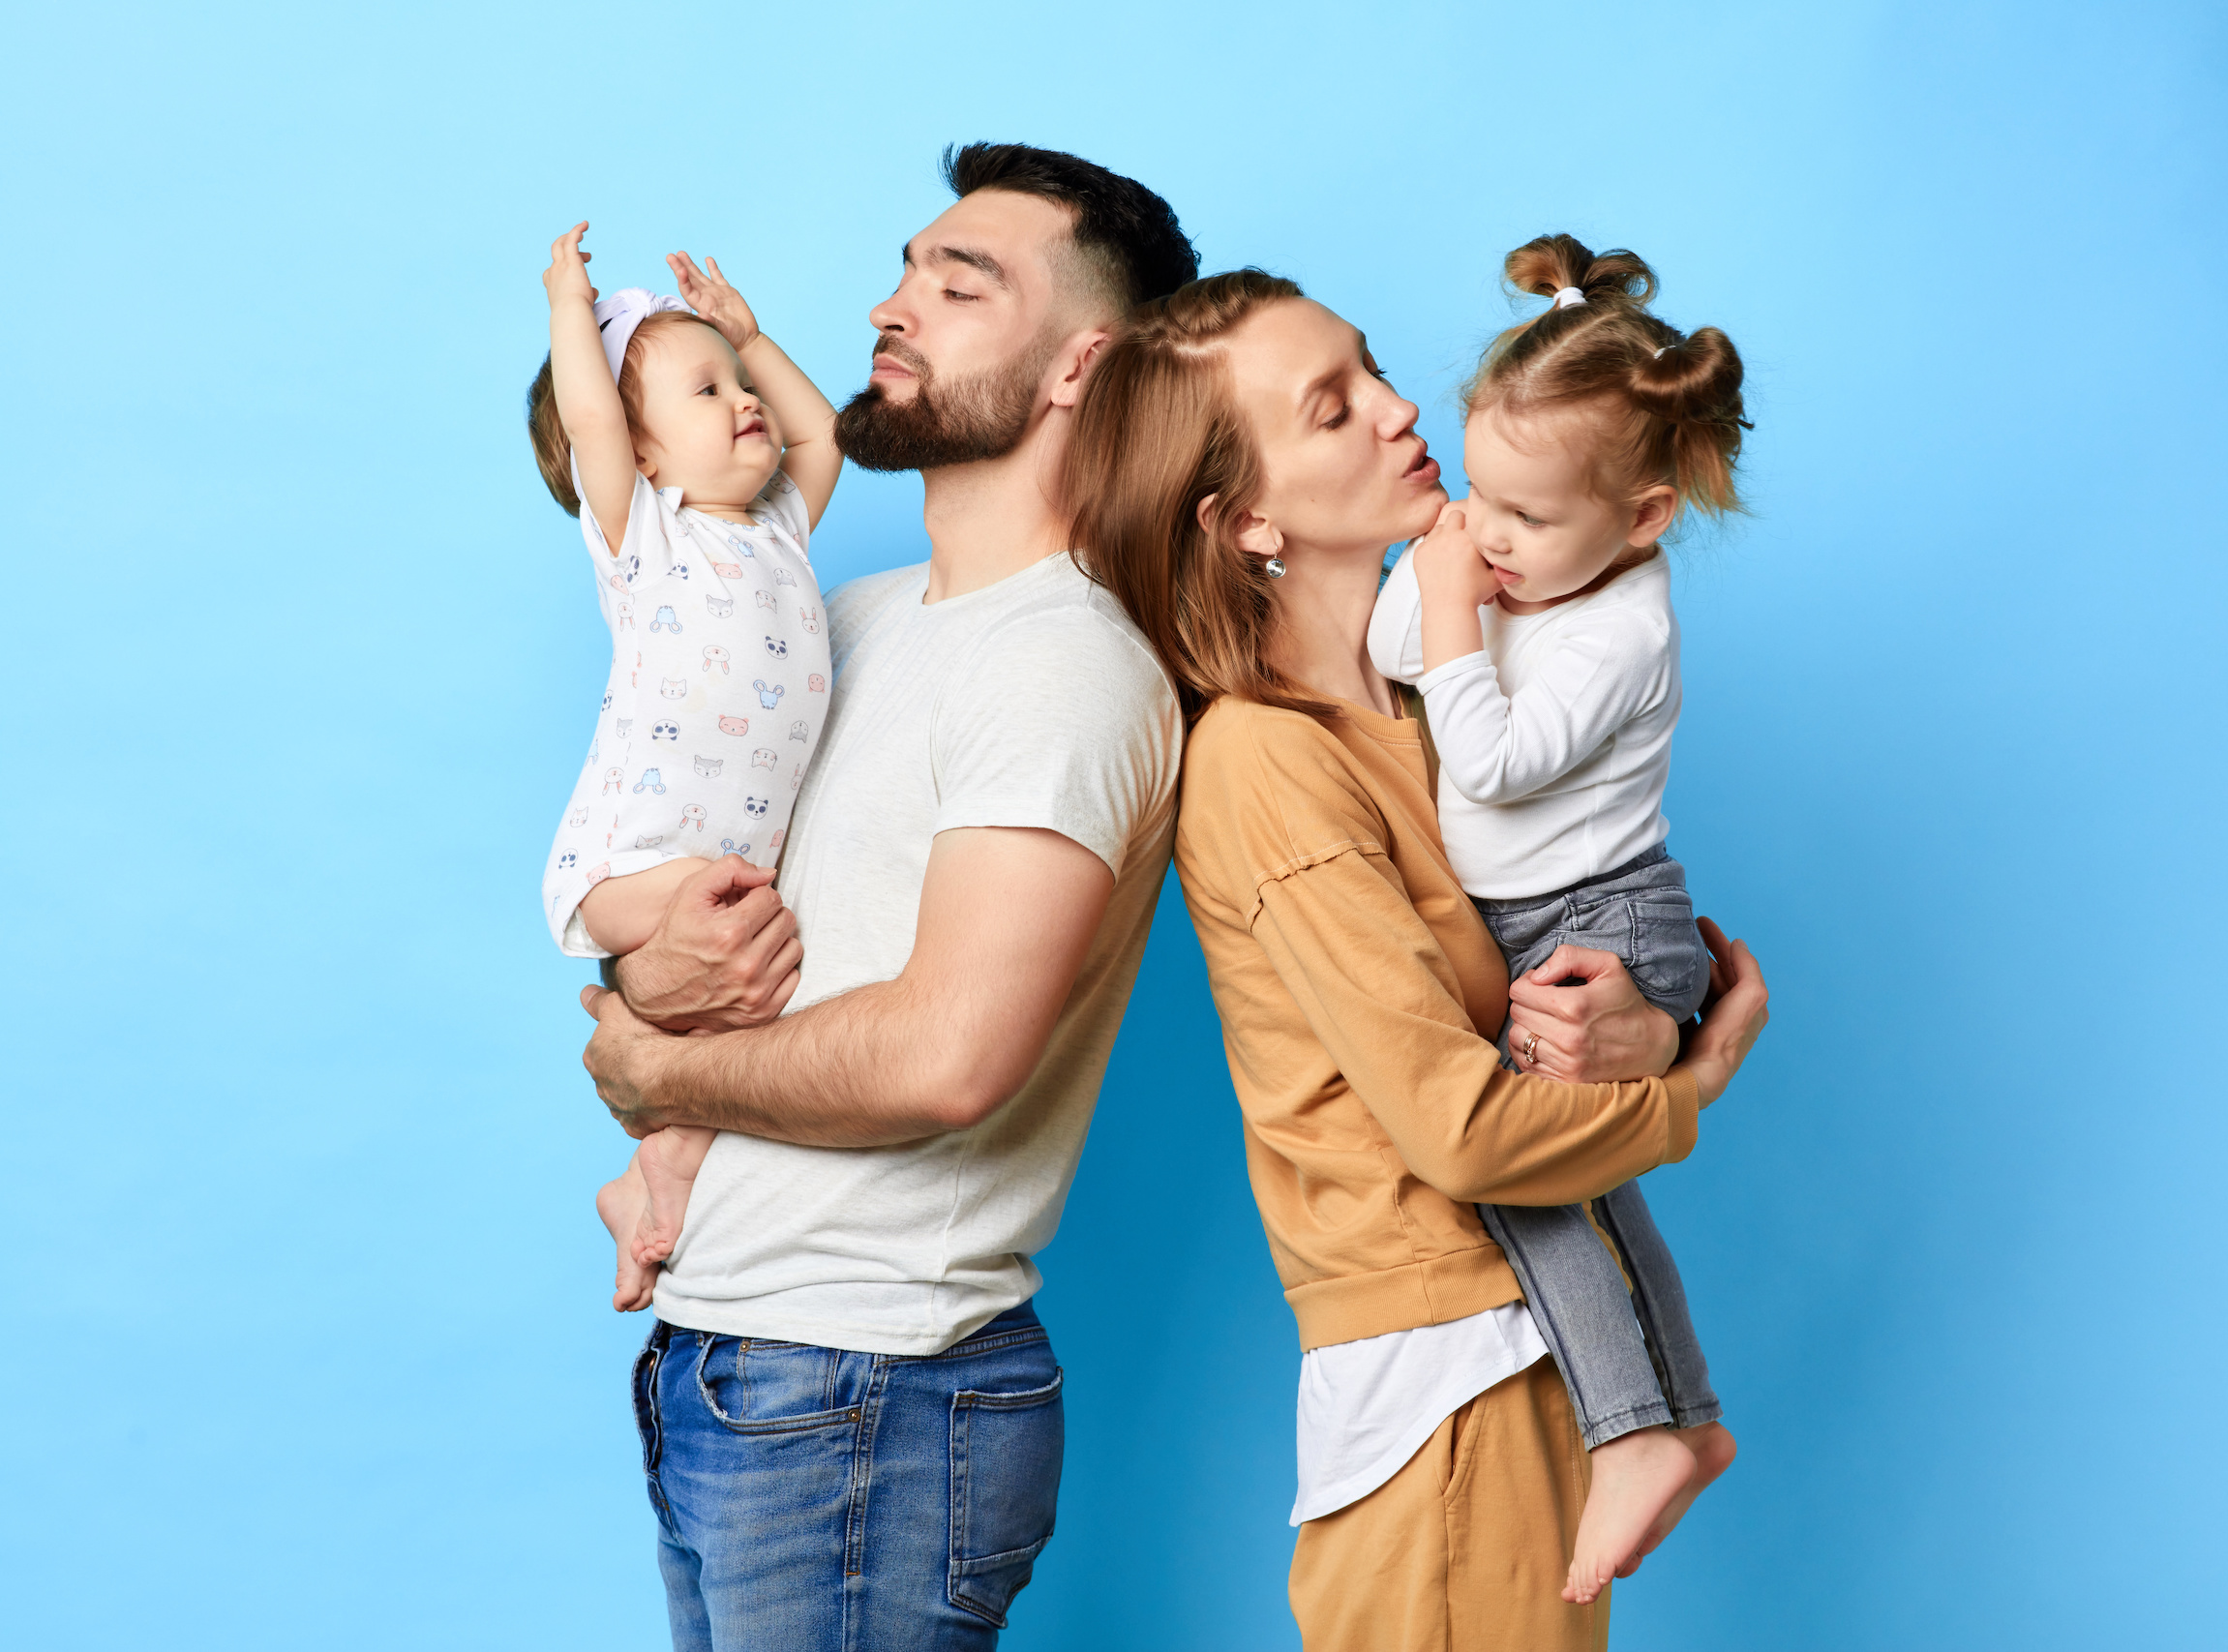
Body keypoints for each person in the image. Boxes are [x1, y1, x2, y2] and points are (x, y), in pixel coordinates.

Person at [1069, 270, 1768, 1652]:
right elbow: (1459, 1125)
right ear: (1246, 521)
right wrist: (1699, 1078)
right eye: (1333, 409)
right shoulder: (1270, 761)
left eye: (1375, 368)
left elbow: (1581, 920)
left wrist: (1646, 1025)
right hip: (1447, 1376)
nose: (1399, 411)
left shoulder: (1435, 695)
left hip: (1536, 1349)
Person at [573, 143, 1197, 1651]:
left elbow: (945, 1057)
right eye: (909, 267)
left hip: (871, 1390)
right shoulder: (842, 621)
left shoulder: (1065, 663)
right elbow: (705, 925)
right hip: (735, 1360)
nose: (890, 305)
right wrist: (639, 996)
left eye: (957, 282)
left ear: (1080, 366)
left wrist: (650, 1062)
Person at [1363, 231, 1751, 1601]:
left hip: (1609, 919)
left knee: (1525, 1175)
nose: (1488, 533)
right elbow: (1391, 645)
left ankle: (1632, 1430)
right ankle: (1682, 1415)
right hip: (1539, 914)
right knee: (1589, 1181)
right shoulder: (1514, 570)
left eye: (1525, 515)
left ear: (1643, 518)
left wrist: (1454, 599)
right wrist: (1454, 582)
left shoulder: (1622, 627)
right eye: (1477, 493)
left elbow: (1500, 757)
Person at [529, 227, 842, 1312]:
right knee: (738, 940)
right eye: (707, 390)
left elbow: (824, 434)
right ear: (644, 452)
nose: (745, 400)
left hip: (721, 876)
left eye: (741, 385)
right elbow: (586, 417)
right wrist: (572, 307)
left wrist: (753, 339)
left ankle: (647, 1190)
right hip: (633, 864)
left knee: (731, 1039)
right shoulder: (646, 537)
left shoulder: (779, 529)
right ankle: (655, 1171)